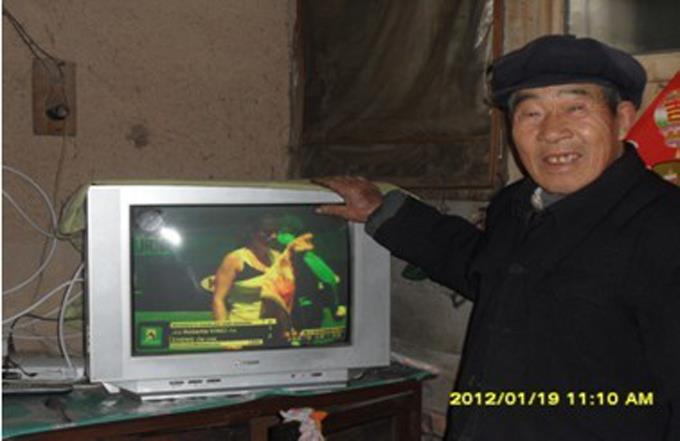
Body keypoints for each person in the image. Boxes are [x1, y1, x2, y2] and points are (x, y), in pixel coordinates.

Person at [315, 35, 680, 440]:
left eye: (575, 108)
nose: (552, 132)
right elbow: (483, 268)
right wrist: (381, 211)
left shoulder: (664, 227)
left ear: (622, 119)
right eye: (531, 113)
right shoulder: (517, 204)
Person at [210, 217, 314, 343]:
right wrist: (226, 338)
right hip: (243, 333)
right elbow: (218, 300)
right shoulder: (235, 259)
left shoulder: (278, 258)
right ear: (252, 232)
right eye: (267, 232)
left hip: (275, 334)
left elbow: (288, 296)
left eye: (276, 232)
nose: (273, 236)